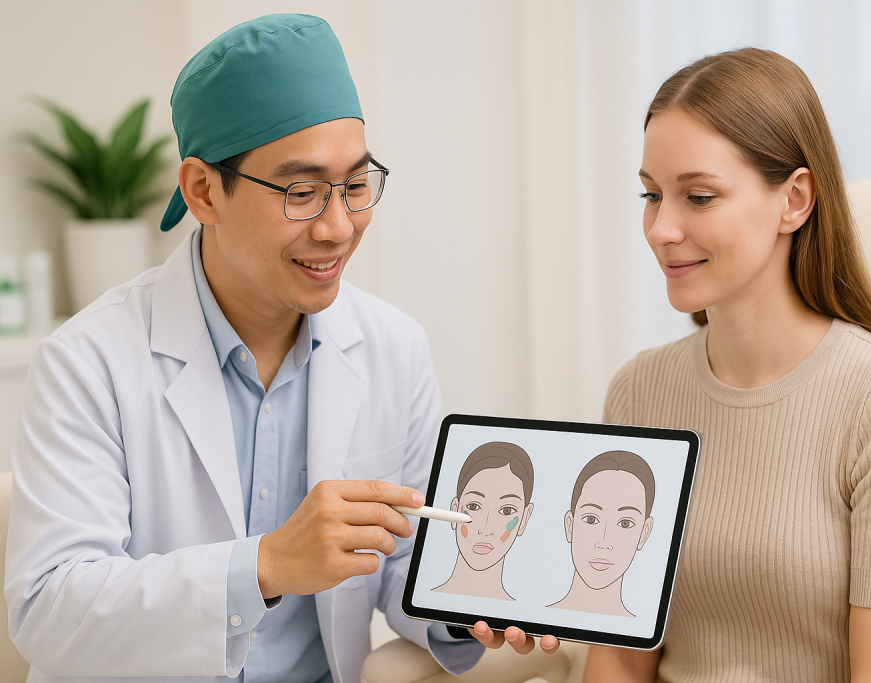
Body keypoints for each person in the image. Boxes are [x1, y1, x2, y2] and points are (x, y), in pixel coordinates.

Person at [5, 14, 552, 683]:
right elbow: (48, 610)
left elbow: (405, 559)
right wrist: (266, 564)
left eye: (354, 186)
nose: (338, 225)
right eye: (301, 192)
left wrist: (466, 605)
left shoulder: (393, 348)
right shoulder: (87, 361)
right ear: (204, 190)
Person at [585, 48, 871, 682]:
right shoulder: (639, 392)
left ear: (795, 200)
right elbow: (619, 659)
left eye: (698, 197)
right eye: (651, 196)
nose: (660, 229)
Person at [549, 450, 654, 617]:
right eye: (591, 519)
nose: (604, 542)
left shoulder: (641, 631)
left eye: (625, 523)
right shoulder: (536, 615)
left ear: (644, 533)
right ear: (570, 525)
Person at [433, 441, 535, 600]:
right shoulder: (423, 602)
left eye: (506, 510)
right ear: (454, 509)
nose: (486, 529)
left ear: (525, 518)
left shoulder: (526, 614)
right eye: (474, 506)